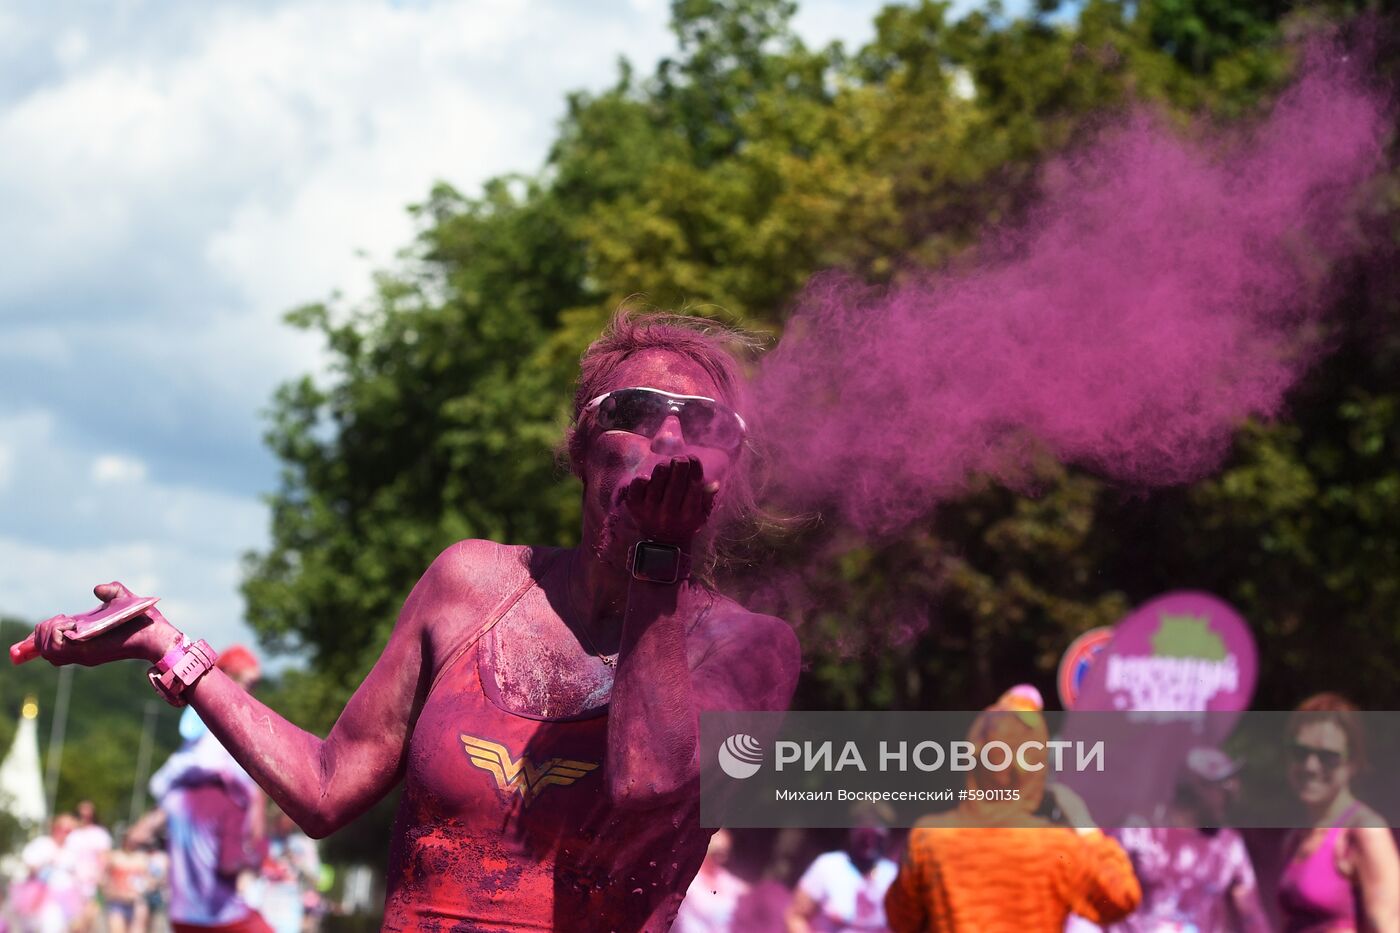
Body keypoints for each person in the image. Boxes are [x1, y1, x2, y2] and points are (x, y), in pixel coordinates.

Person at [33, 311, 803, 932]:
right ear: (581, 446)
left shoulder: (753, 652)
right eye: (634, 411)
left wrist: (655, 568)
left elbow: (644, 783)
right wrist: (168, 647)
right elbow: (326, 790)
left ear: (726, 469)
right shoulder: (470, 583)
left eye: (702, 421)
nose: (668, 437)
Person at [883, 685, 1141, 933]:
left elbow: (900, 920)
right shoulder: (1056, 848)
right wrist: (1084, 825)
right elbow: (1122, 897)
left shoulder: (930, 838)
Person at [131, 644, 271, 933]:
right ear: (228, 675)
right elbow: (199, 760)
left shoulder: (217, 730)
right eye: (248, 682)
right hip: (218, 911)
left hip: (190, 911)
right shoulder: (211, 730)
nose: (252, 690)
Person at [1106, 746, 1269, 933]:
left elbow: (1251, 913)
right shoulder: (1139, 831)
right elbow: (1100, 889)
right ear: (1198, 788)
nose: (1233, 793)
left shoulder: (1228, 845)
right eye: (1224, 786)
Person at [1278, 693, 1399, 933]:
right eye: (1301, 753)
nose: (1311, 767)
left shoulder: (1365, 831)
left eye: (1328, 757)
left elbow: (1389, 925)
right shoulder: (1295, 839)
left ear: (1353, 763)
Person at [786, 825, 898, 933]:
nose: (869, 842)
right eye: (865, 836)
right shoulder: (828, 865)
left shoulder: (892, 875)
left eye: (876, 837)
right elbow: (796, 917)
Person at [249, 807, 321, 933]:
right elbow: (253, 869)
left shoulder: (304, 844)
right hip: (266, 904)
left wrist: (298, 861)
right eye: (282, 817)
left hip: (289, 908)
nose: (286, 822)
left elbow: (315, 877)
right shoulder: (266, 840)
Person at [674, 829, 750, 933]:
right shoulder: (688, 878)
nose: (722, 857)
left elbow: (752, 892)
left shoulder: (723, 877)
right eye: (717, 852)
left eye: (725, 852)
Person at [16, 814, 81, 933]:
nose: (66, 834)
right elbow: (30, 865)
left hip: (63, 898)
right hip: (39, 894)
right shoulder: (42, 844)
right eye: (64, 829)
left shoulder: (72, 850)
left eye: (70, 831)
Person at [66, 799, 113, 933]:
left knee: (88, 920)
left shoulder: (99, 834)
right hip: (73, 884)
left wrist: (100, 877)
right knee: (74, 923)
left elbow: (105, 857)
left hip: (93, 883)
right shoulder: (72, 835)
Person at [102, 829, 151, 933]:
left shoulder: (143, 858)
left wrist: (141, 890)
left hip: (136, 903)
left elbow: (149, 880)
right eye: (129, 840)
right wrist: (109, 891)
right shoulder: (114, 856)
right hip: (116, 902)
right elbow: (104, 877)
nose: (131, 843)